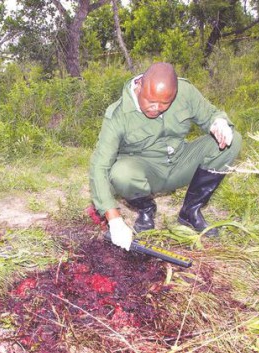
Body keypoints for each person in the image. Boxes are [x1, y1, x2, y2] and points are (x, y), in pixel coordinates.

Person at [89, 62, 242, 251]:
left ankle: (190, 212)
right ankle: (146, 210)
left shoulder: (185, 91)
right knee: (121, 173)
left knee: (232, 141)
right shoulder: (118, 115)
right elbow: (99, 166)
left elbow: (210, 114)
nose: (156, 108)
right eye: (150, 101)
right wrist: (114, 220)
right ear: (139, 87)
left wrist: (219, 123)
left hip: (180, 162)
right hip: (145, 173)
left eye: (165, 104)